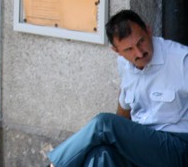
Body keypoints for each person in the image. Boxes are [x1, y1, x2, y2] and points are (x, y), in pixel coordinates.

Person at [47, 10, 188, 167]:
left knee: (103, 123)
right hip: (143, 144)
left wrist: (114, 130)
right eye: (129, 49)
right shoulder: (124, 65)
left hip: (178, 148)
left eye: (141, 41)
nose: (139, 53)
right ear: (117, 51)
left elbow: (112, 125)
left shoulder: (181, 60)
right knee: (100, 156)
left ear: (148, 31)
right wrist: (118, 136)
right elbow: (124, 108)